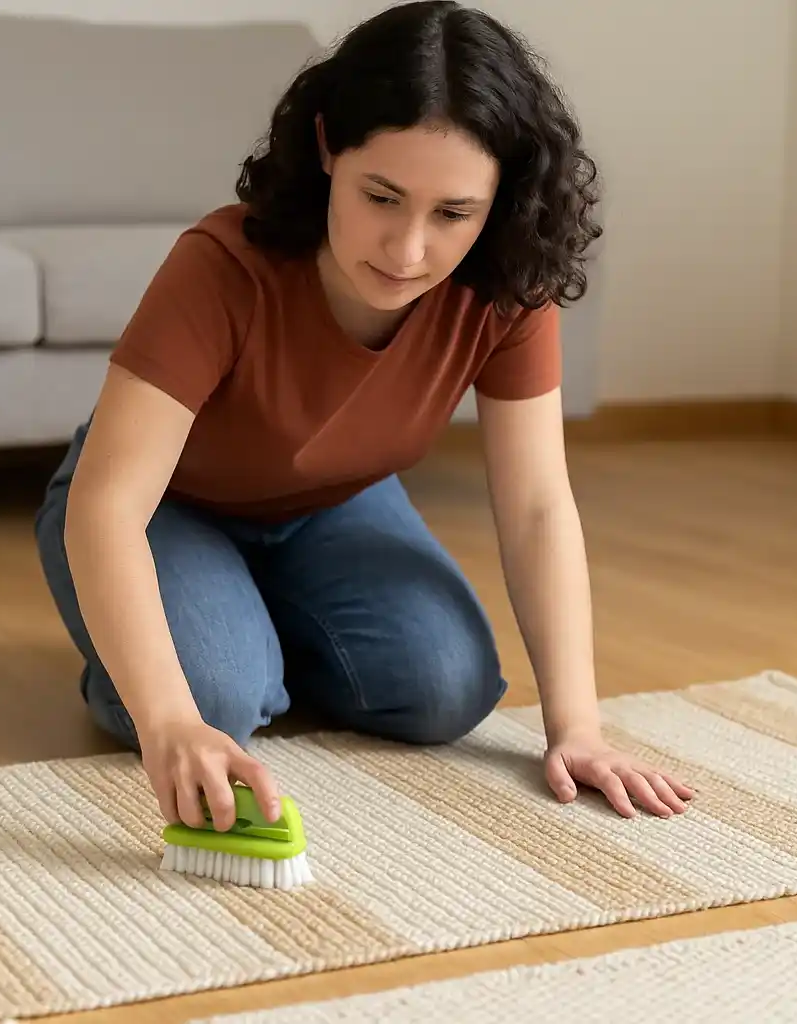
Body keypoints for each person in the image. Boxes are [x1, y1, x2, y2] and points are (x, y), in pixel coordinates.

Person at [35, 0, 695, 836]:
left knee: (444, 688)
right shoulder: (222, 266)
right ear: (325, 149)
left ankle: (251, 624)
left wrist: (579, 728)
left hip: (334, 504)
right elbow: (109, 506)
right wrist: (167, 718)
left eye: (453, 213)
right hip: (166, 506)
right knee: (215, 699)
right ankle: (191, 654)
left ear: (500, 198)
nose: (408, 249)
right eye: (381, 196)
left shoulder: (508, 289)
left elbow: (535, 505)